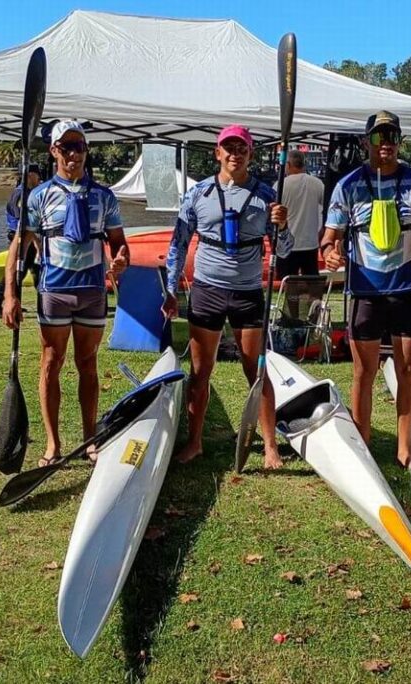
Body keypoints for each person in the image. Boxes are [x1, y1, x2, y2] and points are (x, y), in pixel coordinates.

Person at [162, 125, 290, 469]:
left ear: (250, 154)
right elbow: (177, 244)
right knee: (201, 372)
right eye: (228, 148)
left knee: (256, 371)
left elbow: (285, 249)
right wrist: (171, 290)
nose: (235, 153)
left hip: (248, 292)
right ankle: (195, 442)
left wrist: (283, 225)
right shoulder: (198, 194)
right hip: (207, 290)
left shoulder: (267, 196)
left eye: (242, 148)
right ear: (217, 153)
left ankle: (270, 447)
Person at [2, 120, 128, 467]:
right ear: (54, 150)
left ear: (87, 151)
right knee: (51, 363)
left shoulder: (104, 197)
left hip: (91, 292)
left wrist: (120, 262)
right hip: (54, 291)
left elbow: (120, 246)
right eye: (67, 147)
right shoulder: (38, 197)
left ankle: (90, 441)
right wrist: (10, 294)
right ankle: (53, 445)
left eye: (80, 147)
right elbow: (19, 246)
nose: (74, 153)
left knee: (87, 364)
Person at [320, 110, 411, 468]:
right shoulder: (349, 185)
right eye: (377, 136)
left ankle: (404, 447)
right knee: (364, 372)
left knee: (406, 371)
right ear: (365, 142)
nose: (384, 143)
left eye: (391, 136)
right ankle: (364, 444)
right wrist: (330, 254)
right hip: (365, 291)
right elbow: (328, 239)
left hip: (407, 289)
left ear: (400, 141)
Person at [0, 165, 42, 317]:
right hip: (20, 239)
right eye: (38, 176)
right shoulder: (21, 194)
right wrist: (37, 243)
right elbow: (23, 223)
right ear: (30, 175)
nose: (40, 180)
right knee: (18, 272)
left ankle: (43, 304)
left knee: (37, 271)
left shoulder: (29, 193)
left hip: (28, 239)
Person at [274, 149, 324, 278]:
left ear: (288, 165)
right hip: (310, 242)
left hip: (286, 245)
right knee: (312, 285)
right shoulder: (317, 183)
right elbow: (327, 208)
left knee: (288, 285)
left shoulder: (280, 185)